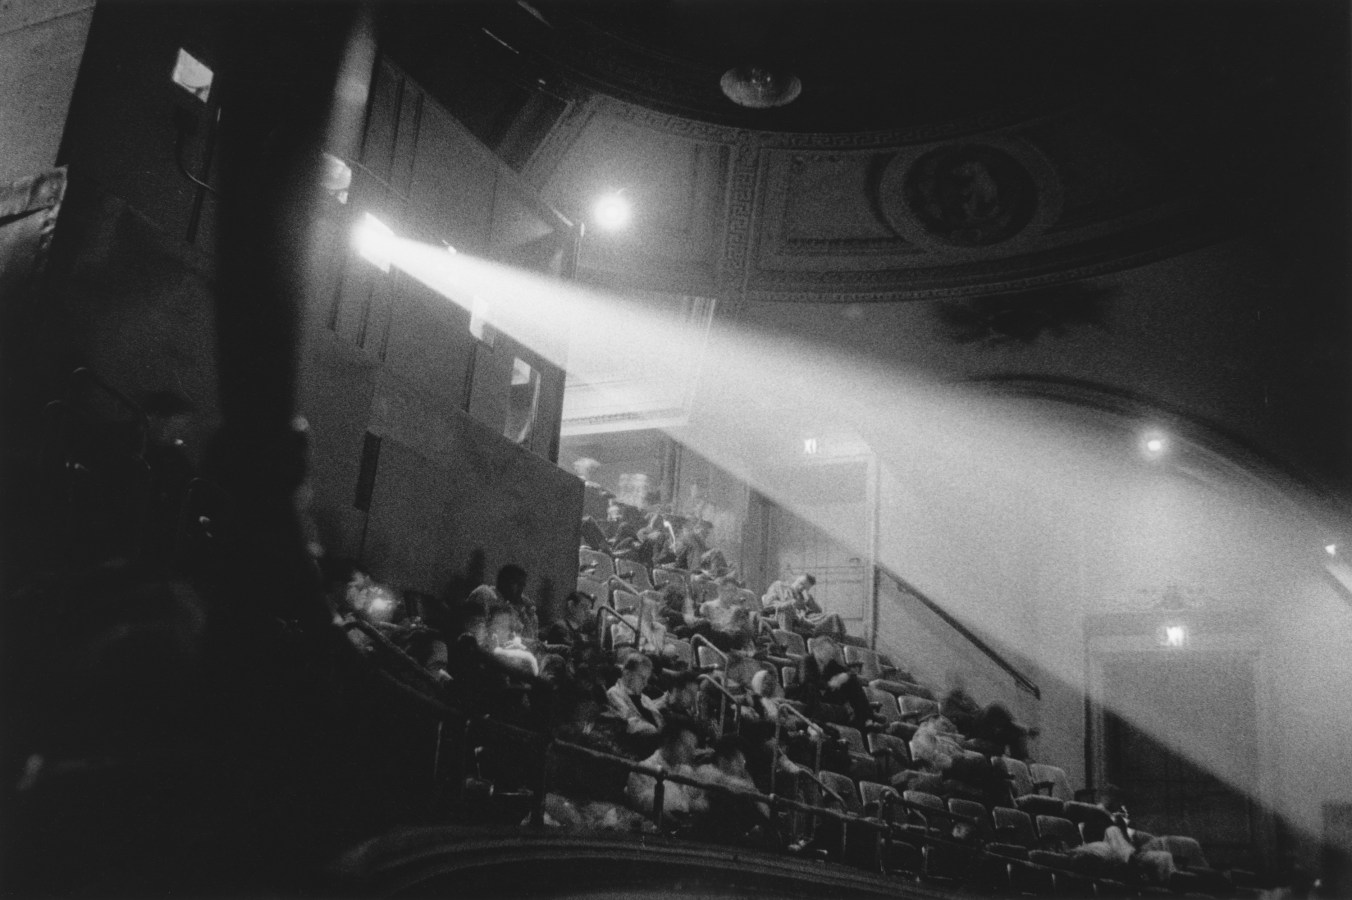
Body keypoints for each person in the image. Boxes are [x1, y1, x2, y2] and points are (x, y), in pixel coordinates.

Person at [625, 722, 707, 828]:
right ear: (668, 741)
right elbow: (653, 808)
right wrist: (689, 804)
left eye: (692, 748)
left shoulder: (687, 770)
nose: (690, 753)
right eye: (685, 746)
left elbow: (702, 803)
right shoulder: (643, 770)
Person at [797, 636, 875, 730]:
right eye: (827, 651)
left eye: (831, 653)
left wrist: (846, 675)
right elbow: (806, 681)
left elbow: (846, 672)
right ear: (817, 650)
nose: (829, 656)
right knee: (810, 687)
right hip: (805, 695)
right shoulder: (806, 660)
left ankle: (867, 718)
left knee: (851, 680)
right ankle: (815, 717)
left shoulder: (830, 663)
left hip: (822, 696)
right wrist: (830, 684)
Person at [605, 655, 664, 755]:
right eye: (642, 678)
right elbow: (629, 723)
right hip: (632, 749)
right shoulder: (614, 693)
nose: (645, 683)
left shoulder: (645, 699)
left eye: (647, 679)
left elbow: (661, 722)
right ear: (627, 674)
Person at [467, 564, 539, 646]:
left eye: (523, 585)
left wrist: (528, 615)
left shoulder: (511, 607)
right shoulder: (485, 594)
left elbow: (527, 640)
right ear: (504, 581)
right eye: (517, 583)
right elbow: (475, 635)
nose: (521, 589)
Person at [761, 574, 845, 639]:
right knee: (787, 607)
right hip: (786, 615)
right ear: (797, 579)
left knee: (834, 616)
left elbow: (819, 612)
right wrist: (791, 603)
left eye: (804, 588)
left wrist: (810, 600)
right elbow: (768, 604)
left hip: (804, 619)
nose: (801, 588)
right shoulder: (779, 585)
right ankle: (787, 642)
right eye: (801, 584)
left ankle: (835, 645)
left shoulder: (803, 597)